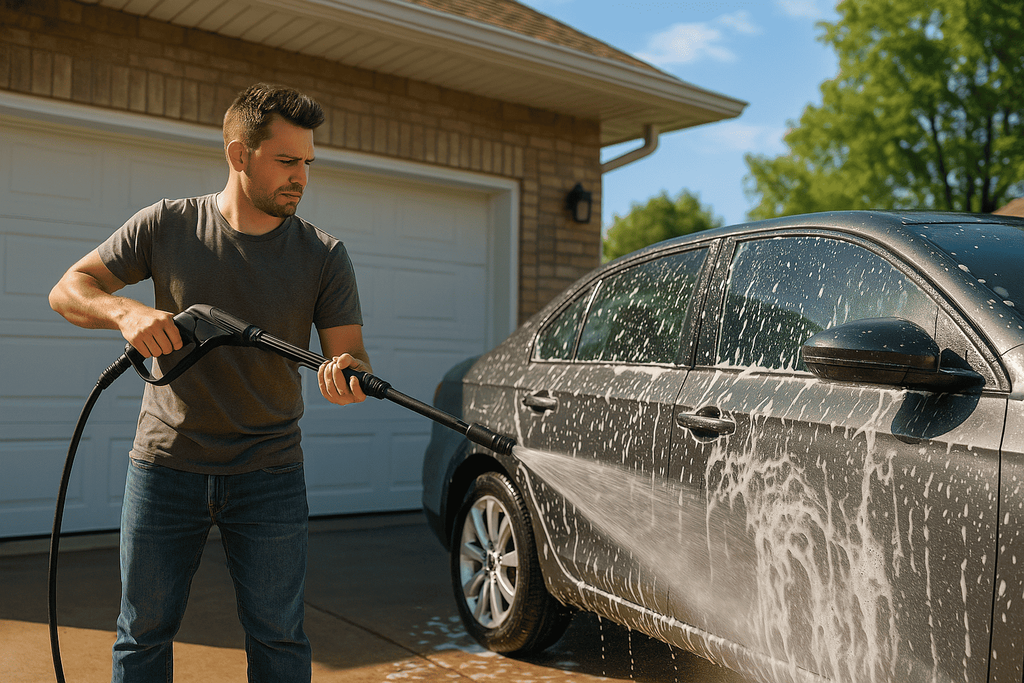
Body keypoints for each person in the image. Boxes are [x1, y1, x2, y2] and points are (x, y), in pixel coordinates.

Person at [48, 83, 370, 682]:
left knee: (279, 639)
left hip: (270, 471)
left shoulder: (325, 255)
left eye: (308, 163)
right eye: (286, 161)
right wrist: (126, 313)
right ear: (239, 154)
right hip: (166, 465)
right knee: (142, 634)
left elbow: (350, 357)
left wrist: (346, 378)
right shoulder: (168, 225)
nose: (301, 176)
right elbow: (67, 289)